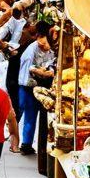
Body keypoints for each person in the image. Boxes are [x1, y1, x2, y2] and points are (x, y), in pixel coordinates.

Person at [16, 22, 56, 155]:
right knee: (30, 115)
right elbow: (29, 68)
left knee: (44, 118)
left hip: (43, 85)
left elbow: (51, 63)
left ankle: (41, 145)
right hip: (29, 86)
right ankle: (25, 144)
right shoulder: (32, 49)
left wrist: (49, 70)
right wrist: (41, 71)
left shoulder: (50, 49)